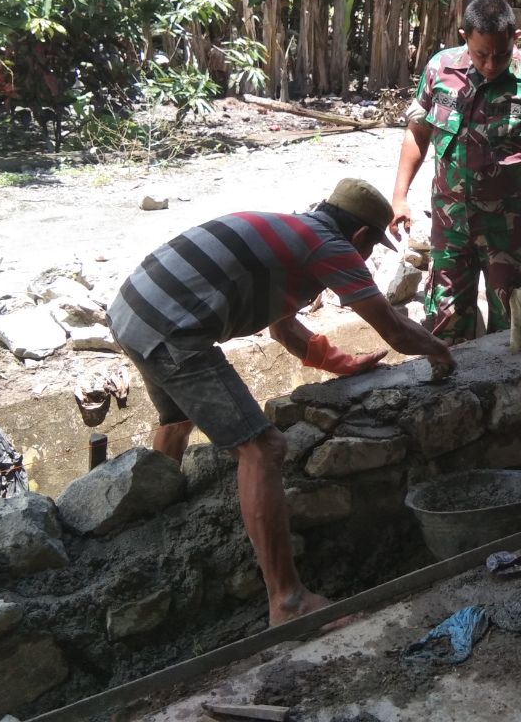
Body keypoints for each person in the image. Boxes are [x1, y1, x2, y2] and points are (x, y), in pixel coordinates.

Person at [107, 178, 456, 628]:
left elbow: (284, 327)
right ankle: (288, 602)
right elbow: (395, 330)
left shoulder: (290, 235)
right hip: (171, 328)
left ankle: (160, 509)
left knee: (177, 416)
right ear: (360, 237)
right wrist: (441, 351)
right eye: (370, 247)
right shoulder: (330, 247)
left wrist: (342, 363)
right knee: (262, 448)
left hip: (131, 310)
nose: (366, 256)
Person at [390, 0, 521, 343]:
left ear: (516, 37)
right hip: (450, 224)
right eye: (481, 54)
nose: (489, 64)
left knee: (513, 326)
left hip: (508, 228)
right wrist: (399, 197)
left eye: (501, 54)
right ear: (464, 37)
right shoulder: (440, 70)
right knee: (445, 325)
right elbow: (418, 133)